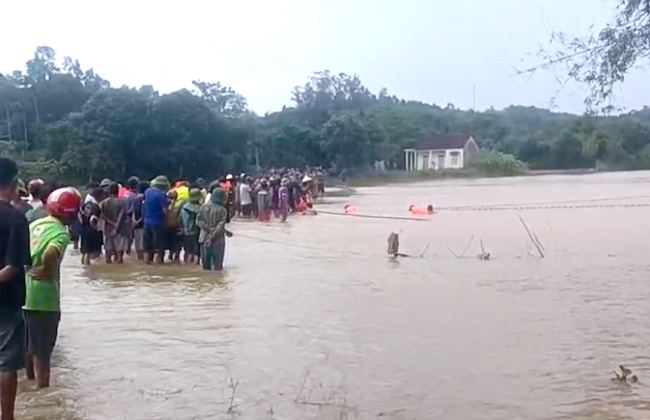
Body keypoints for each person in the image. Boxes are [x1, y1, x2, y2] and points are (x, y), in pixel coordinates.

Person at [25, 187, 80, 389]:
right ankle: (42, 388)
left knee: (28, 344)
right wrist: (47, 270)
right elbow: (50, 252)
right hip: (44, 297)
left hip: (23, 291)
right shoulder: (61, 233)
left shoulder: (35, 224)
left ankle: (29, 382)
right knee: (43, 350)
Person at [0, 158, 30, 420]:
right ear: (13, 183)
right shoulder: (16, 219)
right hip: (7, 301)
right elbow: (13, 267)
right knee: (6, 363)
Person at [197, 188, 232, 271]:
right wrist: (213, 234)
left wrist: (209, 230)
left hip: (204, 238)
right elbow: (220, 225)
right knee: (217, 266)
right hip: (217, 239)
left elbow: (199, 221)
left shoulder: (203, 207)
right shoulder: (222, 210)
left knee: (206, 266)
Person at [143, 176, 170, 264]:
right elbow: (164, 211)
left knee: (147, 248)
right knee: (159, 249)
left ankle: (147, 265)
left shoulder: (147, 192)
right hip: (158, 223)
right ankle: (158, 268)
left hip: (147, 222)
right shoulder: (161, 195)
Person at [100, 183, 127, 264]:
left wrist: (111, 223)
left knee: (108, 251)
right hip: (120, 229)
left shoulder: (104, 202)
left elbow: (102, 216)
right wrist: (116, 226)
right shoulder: (122, 202)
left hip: (108, 228)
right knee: (119, 252)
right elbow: (122, 216)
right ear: (117, 191)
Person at [178, 188, 202, 264]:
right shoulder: (199, 208)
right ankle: (194, 269)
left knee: (187, 251)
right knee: (196, 253)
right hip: (196, 233)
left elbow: (179, 220)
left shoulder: (183, 206)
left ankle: (187, 267)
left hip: (185, 232)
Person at [79, 191, 103, 266]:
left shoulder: (84, 205)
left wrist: (82, 223)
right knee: (88, 252)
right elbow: (93, 219)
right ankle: (87, 267)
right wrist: (94, 228)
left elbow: (79, 215)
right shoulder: (96, 206)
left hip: (84, 229)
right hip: (91, 230)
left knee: (84, 251)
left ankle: (83, 266)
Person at [131, 181, 148, 260]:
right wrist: (138, 221)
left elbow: (133, 211)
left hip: (136, 225)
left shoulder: (136, 199)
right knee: (143, 247)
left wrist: (134, 221)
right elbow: (145, 213)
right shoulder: (145, 199)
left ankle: (139, 261)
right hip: (142, 225)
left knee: (138, 247)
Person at [123, 176, 140, 255]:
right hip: (131, 218)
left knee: (126, 239)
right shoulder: (135, 197)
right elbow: (133, 210)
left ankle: (127, 253)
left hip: (123, 219)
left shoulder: (125, 195)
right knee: (131, 238)